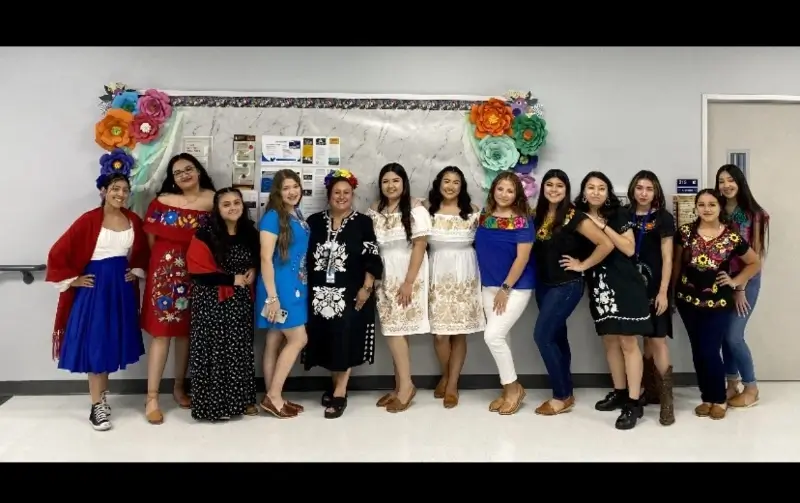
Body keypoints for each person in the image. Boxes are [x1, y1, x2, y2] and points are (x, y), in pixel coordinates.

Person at [46, 171, 149, 431]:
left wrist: (135, 270)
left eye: (125, 190)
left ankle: (101, 397)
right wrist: (74, 280)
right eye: (115, 188)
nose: (120, 194)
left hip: (121, 289)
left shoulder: (133, 219)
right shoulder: (89, 220)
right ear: (104, 191)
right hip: (96, 289)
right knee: (97, 344)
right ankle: (96, 406)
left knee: (110, 342)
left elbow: (142, 251)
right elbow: (58, 251)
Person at [672, 189, 761, 420]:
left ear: (720, 207)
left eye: (712, 204)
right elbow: (676, 264)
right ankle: (707, 397)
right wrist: (671, 293)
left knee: (710, 350)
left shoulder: (731, 237)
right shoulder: (685, 233)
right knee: (697, 350)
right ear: (696, 208)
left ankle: (719, 399)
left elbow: (754, 262)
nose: (707, 209)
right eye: (701, 204)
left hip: (718, 302)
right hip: (687, 301)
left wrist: (735, 281)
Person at [531, 169, 613, 417]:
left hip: (567, 285)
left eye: (560, 186)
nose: (554, 189)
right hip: (544, 286)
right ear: (543, 188)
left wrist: (582, 265)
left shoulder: (574, 216)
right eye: (549, 184)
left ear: (566, 190)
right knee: (556, 337)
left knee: (542, 336)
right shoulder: (537, 215)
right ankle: (566, 390)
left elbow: (606, 244)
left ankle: (561, 396)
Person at [302, 169, 383, 418]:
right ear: (328, 195)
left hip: (351, 293)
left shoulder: (363, 222)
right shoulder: (314, 221)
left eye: (346, 192)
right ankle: (335, 383)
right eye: (336, 192)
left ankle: (340, 392)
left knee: (346, 337)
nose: (341, 197)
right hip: (319, 293)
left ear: (353, 195)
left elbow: (372, 257)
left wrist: (366, 288)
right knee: (328, 338)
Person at [142, 153, 216, 425]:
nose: (184, 175)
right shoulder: (161, 202)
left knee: (187, 334)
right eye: (177, 172)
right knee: (161, 335)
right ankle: (151, 397)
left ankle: (179, 388)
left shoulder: (214, 200)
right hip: (165, 275)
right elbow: (150, 239)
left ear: (198, 171)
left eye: (188, 169)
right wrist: (165, 266)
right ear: (172, 179)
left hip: (198, 275)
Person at [575, 171, 653, 430]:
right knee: (609, 340)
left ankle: (634, 401)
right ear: (583, 191)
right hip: (599, 286)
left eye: (601, 188)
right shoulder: (577, 216)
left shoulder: (618, 215)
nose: (596, 192)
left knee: (628, 342)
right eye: (591, 187)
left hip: (625, 283)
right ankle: (619, 392)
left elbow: (629, 248)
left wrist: (602, 226)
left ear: (608, 192)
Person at [186, 188, 260, 422]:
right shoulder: (205, 235)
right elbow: (197, 272)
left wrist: (253, 269)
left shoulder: (250, 232)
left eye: (236, 202)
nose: (233, 207)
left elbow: (258, 258)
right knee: (214, 353)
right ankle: (214, 406)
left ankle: (241, 401)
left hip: (239, 304)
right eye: (226, 204)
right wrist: (231, 280)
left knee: (239, 352)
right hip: (211, 303)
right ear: (217, 209)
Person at [368, 162, 432, 413]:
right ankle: (398, 387)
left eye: (395, 180)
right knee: (395, 331)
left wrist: (408, 282)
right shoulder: (376, 210)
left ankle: (406, 387)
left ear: (404, 183)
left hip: (407, 274)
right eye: (385, 181)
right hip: (384, 275)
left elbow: (420, 246)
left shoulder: (416, 209)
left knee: (395, 331)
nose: (390, 185)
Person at [474, 172, 535, 416]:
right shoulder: (484, 217)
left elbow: (522, 258)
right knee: (502, 337)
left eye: (510, 190)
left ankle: (513, 388)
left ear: (517, 194)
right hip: (488, 286)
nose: (504, 194)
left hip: (515, 287)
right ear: (493, 190)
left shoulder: (522, 221)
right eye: (500, 189)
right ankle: (507, 388)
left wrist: (505, 288)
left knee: (493, 336)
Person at [425, 166, 484, 409]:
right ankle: (447, 375)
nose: (450, 186)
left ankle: (451, 385)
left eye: (456, 182)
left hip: (465, 274)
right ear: (439, 184)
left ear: (462, 186)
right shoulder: (426, 211)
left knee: (459, 332)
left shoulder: (473, 212)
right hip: (437, 274)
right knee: (440, 334)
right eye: (446, 181)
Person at [255, 169, 310, 418]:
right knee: (298, 339)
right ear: (277, 192)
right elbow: (265, 258)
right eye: (286, 188)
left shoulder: (295, 214)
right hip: (280, 287)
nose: (292, 191)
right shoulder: (272, 217)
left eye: (295, 186)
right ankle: (274, 397)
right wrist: (272, 297)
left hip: (295, 285)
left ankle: (273, 397)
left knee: (275, 338)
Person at [716, 164, 769, 407]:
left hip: (746, 280)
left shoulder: (754, 214)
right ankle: (731, 384)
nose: (726, 185)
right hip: (722, 280)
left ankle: (751, 387)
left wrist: (740, 288)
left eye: (731, 180)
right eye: (721, 181)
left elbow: (755, 257)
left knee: (734, 336)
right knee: (724, 335)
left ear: (740, 182)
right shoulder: (717, 210)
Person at [625, 170, 676, 426]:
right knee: (639, 339)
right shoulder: (624, 215)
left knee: (657, 340)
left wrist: (664, 291)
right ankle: (647, 391)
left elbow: (668, 257)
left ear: (655, 192)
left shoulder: (663, 218)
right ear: (633, 190)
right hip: (630, 288)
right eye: (639, 188)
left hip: (656, 287)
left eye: (649, 188)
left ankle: (667, 402)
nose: (643, 193)